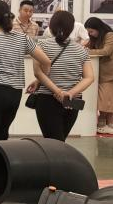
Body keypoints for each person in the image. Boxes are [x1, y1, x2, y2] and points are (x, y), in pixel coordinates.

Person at [0, 0, 53, 145]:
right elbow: (46, 61)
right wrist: (39, 81)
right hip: (14, 94)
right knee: (2, 136)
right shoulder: (22, 38)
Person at [29, 11, 95, 142]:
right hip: (72, 101)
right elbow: (89, 77)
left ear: (50, 26)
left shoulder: (41, 45)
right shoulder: (81, 50)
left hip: (48, 99)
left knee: (53, 142)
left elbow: (38, 72)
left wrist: (58, 92)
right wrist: (70, 93)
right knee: (60, 141)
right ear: (72, 28)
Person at [85, 17, 113, 136]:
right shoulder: (96, 38)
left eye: (91, 31)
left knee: (107, 101)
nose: (90, 34)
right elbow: (88, 46)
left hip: (110, 74)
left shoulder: (110, 35)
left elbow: (106, 51)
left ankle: (105, 124)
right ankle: (108, 125)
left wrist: (87, 51)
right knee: (107, 101)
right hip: (101, 74)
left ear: (98, 28)